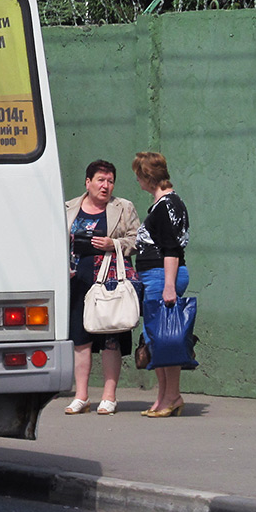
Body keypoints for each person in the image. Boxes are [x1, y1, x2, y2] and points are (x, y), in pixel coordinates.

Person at [64, 160, 141, 415]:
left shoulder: (123, 208)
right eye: (100, 180)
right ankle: (82, 396)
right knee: (81, 340)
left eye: (110, 181)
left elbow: (137, 240)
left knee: (110, 338)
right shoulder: (68, 208)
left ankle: (109, 396)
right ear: (88, 182)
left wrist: (113, 244)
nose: (105, 186)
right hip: (77, 282)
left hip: (108, 283)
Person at [133, 151, 191, 418]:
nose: (138, 181)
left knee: (165, 337)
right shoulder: (165, 204)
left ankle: (173, 396)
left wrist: (168, 285)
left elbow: (171, 249)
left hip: (161, 275)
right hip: (156, 275)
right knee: (157, 336)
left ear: (147, 176)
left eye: (138, 175)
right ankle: (163, 396)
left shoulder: (166, 205)